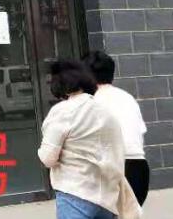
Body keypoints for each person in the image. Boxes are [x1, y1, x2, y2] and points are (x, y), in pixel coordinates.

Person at [37, 59, 136, 219]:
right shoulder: (106, 112)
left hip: (75, 192)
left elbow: (48, 158)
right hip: (107, 198)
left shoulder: (62, 111)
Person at [83, 50, 150, 205]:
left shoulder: (90, 102)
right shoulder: (128, 98)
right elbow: (140, 133)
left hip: (111, 170)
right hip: (139, 169)